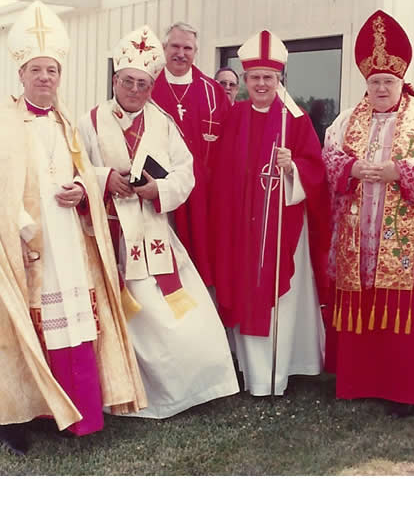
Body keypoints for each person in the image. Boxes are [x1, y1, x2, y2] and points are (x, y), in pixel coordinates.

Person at [0, 1, 146, 455]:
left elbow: (86, 172)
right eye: (36, 70)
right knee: (25, 326)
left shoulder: (68, 121)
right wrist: (25, 231)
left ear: (59, 75)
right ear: (22, 74)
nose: (45, 77)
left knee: (72, 326)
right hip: (26, 247)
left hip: (68, 241)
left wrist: (83, 190)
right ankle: (21, 414)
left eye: (52, 70)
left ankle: (75, 413)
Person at [78, 25, 239, 418]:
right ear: (115, 81)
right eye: (128, 81)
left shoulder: (163, 122)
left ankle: (185, 389)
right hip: (108, 235)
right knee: (123, 312)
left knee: (177, 314)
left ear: (152, 86)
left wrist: (158, 189)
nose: (135, 90)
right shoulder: (90, 121)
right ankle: (123, 391)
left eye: (143, 84)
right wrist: (103, 179)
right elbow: (73, 168)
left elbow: (186, 172)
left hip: (153, 234)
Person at [322, 10, 414, 417]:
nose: (381, 88)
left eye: (388, 81)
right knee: (361, 302)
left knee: (404, 311)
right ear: (365, 83)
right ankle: (359, 382)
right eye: (374, 82)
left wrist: (399, 171)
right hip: (358, 238)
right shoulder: (346, 120)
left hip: (406, 241)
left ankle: (404, 391)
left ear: (402, 81)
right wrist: (351, 168)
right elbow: (328, 157)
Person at [209, 29, 331, 396]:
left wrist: (294, 167)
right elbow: (220, 172)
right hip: (242, 227)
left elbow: (316, 170)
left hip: (281, 227)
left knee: (280, 298)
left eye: (269, 77)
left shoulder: (295, 119)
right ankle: (251, 373)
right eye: (255, 78)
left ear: (280, 79)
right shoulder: (234, 116)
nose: (261, 84)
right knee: (245, 291)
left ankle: (278, 374)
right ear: (245, 80)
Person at [151, 21, 231, 286]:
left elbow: (228, 148)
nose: (180, 53)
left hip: (203, 199)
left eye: (187, 48)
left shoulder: (213, 92)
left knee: (199, 269)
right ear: (164, 48)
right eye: (175, 46)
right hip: (159, 196)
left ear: (196, 52)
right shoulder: (148, 88)